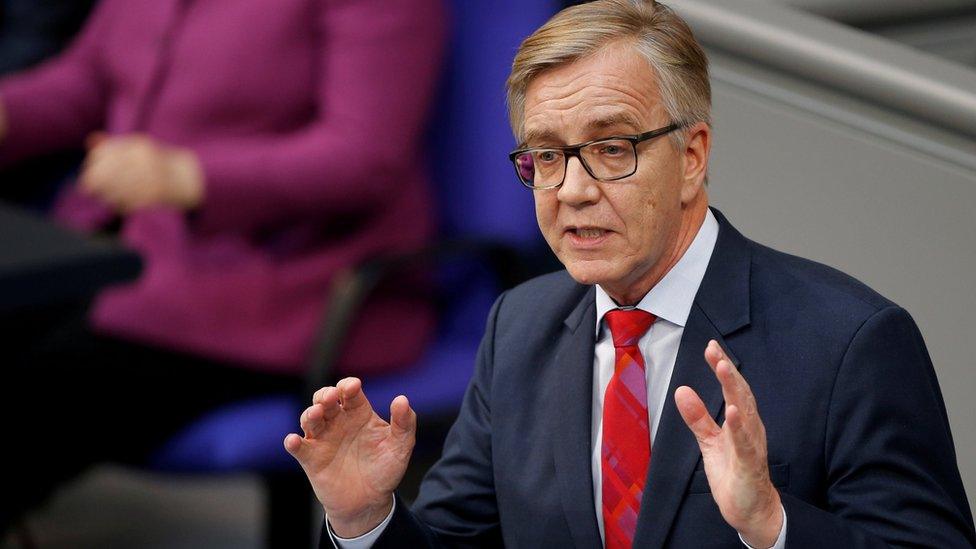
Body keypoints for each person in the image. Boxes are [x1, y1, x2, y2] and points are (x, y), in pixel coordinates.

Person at [285, 1, 976, 547]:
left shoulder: (849, 343)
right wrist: (366, 519)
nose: (572, 190)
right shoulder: (517, 328)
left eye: (611, 148)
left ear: (693, 156)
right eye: (546, 157)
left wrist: (774, 525)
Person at [0, 0, 445, 533]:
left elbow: (364, 158)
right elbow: (89, 79)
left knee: (28, 401)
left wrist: (190, 176)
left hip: (274, 290)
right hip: (113, 256)